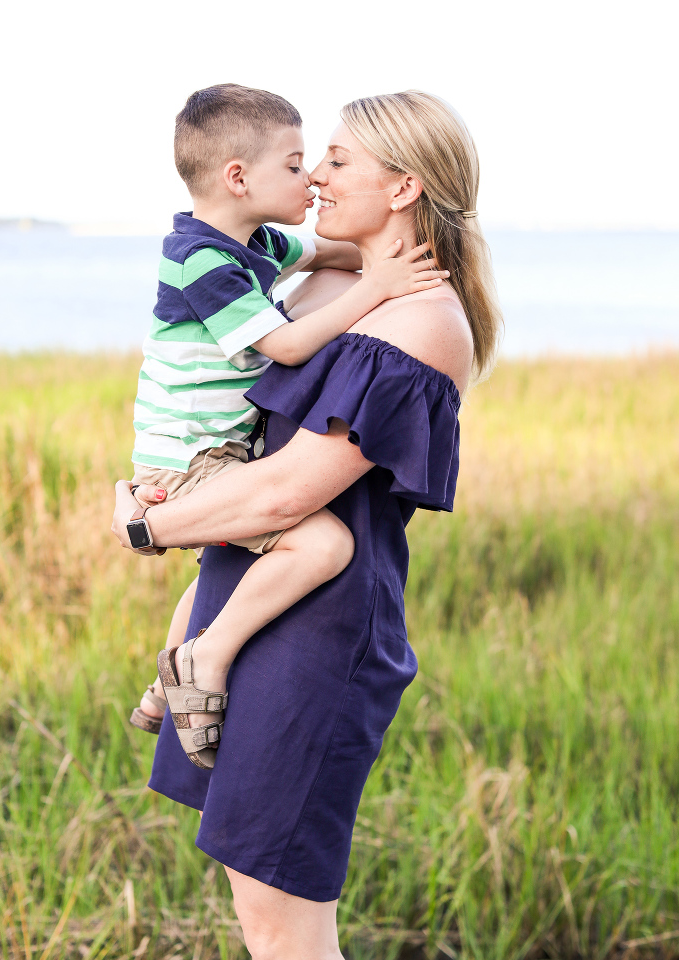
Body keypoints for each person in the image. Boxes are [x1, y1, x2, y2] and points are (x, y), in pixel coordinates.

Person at [112, 90, 502, 959]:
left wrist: (143, 525)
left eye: (337, 161)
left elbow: (286, 496)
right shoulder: (328, 281)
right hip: (248, 593)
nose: (317, 177)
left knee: (285, 922)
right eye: (312, 160)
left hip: (317, 633)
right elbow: (220, 402)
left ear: (403, 187)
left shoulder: (424, 323)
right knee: (252, 899)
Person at [126, 84, 448, 767]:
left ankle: (162, 687)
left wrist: (373, 256)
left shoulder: (254, 241)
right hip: (193, 457)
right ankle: (201, 658)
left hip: (207, 449)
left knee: (227, 562)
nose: (311, 181)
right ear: (239, 178)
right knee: (323, 547)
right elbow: (287, 345)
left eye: (323, 164)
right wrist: (378, 288)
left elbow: (319, 255)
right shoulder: (201, 260)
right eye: (298, 165)